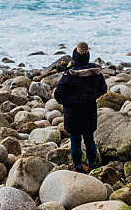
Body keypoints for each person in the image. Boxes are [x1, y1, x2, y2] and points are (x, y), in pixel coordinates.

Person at [54, 42, 107, 173]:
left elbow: (58, 95)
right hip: (89, 110)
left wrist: (68, 101)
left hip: (73, 113)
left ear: (74, 57)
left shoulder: (69, 75)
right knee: (90, 140)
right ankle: (92, 165)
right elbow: (103, 89)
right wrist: (91, 96)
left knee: (75, 142)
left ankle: (77, 166)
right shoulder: (95, 73)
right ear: (87, 56)